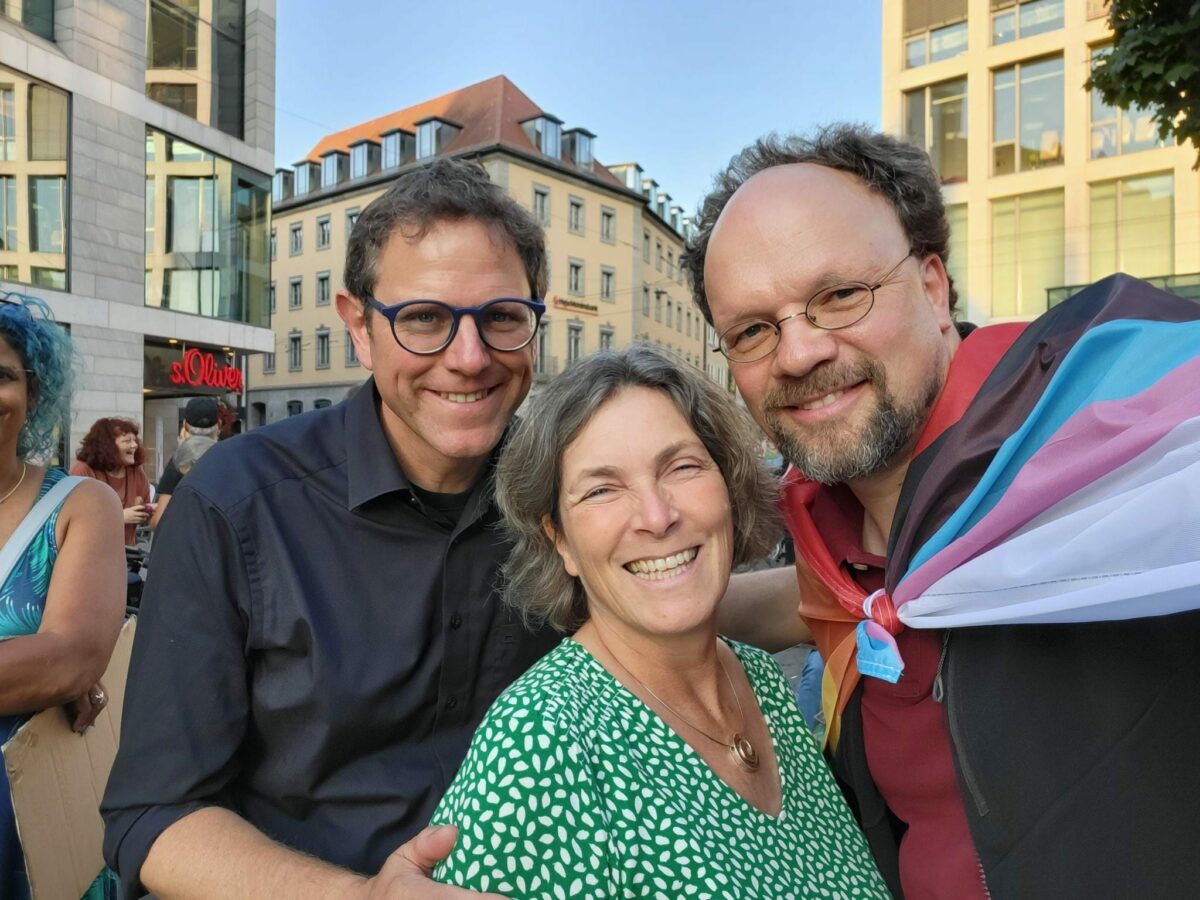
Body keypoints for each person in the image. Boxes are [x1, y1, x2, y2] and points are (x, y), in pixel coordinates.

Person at [684, 125, 1200, 899]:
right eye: (753, 330)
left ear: (933, 287)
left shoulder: (1121, 449)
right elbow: (817, 601)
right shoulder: (835, 545)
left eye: (838, 296)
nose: (797, 354)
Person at [101, 157, 559, 899]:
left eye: (501, 318)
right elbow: (152, 815)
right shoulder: (239, 502)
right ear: (357, 325)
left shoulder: (567, 496)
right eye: (424, 319)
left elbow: (665, 613)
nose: (469, 358)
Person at [430, 345, 889, 898]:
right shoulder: (541, 744)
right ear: (561, 542)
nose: (656, 516)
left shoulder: (759, 680)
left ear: (729, 488)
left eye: (682, 467)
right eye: (602, 489)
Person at [0, 293, 126, 898]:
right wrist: (29, 673)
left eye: (1, 374)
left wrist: (61, 672)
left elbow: (73, 656)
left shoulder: (79, 504)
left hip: (31, 824)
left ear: (33, 390)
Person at [70, 418, 153, 546]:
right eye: (127, 441)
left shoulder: (136, 472)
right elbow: (74, 519)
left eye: (134, 440)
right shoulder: (82, 472)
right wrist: (119, 517)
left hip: (126, 554)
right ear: (107, 446)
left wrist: (150, 510)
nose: (134, 445)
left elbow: (144, 510)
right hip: (89, 553)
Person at [149, 396, 220, 529]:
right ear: (219, 425)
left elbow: (160, 521)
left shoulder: (178, 462)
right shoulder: (231, 458)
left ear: (185, 425)